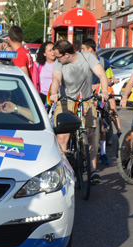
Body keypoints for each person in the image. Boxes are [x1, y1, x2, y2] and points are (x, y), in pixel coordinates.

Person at [49, 39, 109, 183]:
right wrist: (54, 92)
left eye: (58, 56)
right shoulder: (59, 63)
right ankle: (64, 170)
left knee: (90, 135)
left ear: (67, 54)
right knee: (62, 138)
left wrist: (105, 92)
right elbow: (56, 79)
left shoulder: (87, 57)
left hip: (86, 100)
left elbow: (102, 75)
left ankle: (93, 170)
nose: (55, 59)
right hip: (66, 101)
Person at [81, 38, 122, 166]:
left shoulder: (104, 62)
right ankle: (82, 153)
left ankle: (103, 153)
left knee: (102, 126)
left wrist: (99, 85)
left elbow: (109, 79)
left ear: (90, 50)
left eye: (83, 49)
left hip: (99, 96)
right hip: (85, 97)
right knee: (85, 126)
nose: (80, 51)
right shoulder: (81, 62)